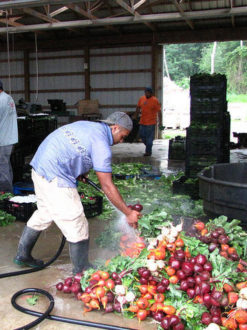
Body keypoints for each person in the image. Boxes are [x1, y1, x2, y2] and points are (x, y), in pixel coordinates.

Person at [14, 112, 141, 274]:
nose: (121, 141)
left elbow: (73, 147)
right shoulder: (102, 145)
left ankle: (22, 255)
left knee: (45, 212)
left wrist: (78, 169)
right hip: (56, 176)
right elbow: (107, 186)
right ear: (115, 128)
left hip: (40, 168)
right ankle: (81, 270)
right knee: (76, 221)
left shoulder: (88, 126)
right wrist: (128, 213)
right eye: (123, 136)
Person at [0, 80, 18, 193]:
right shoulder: (7, 97)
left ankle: (5, 195)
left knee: (2, 169)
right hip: (10, 139)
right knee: (6, 166)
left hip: (3, 140)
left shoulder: (0, 100)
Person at [134, 87, 161, 156]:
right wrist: (135, 116)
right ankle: (149, 145)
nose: (147, 94)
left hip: (151, 123)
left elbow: (159, 111)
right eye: (146, 92)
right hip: (142, 122)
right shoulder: (142, 99)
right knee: (142, 136)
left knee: (149, 138)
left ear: (151, 93)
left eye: (148, 92)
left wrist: (160, 122)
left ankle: (148, 152)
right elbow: (138, 107)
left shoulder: (155, 100)